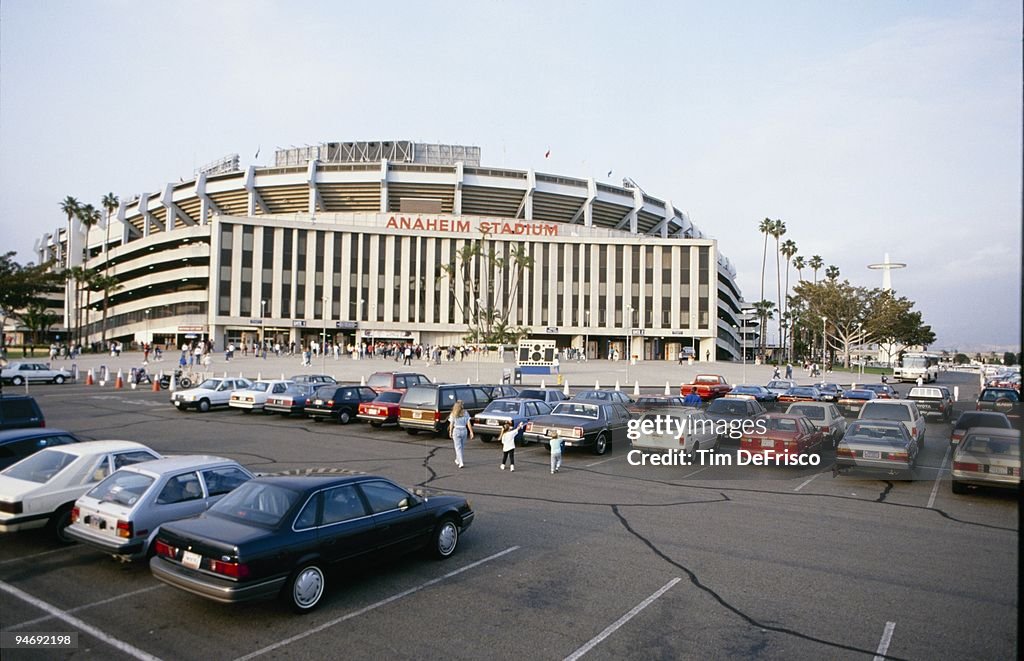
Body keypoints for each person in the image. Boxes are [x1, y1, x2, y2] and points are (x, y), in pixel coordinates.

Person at [448, 400, 473, 468]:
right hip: (464, 430)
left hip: (456, 430)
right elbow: (468, 423)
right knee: (461, 447)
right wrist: (471, 431)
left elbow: (451, 423)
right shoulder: (466, 413)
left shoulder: (453, 413)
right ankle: (457, 459)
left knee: (458, 447)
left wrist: (450, 431)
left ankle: (461, 462)